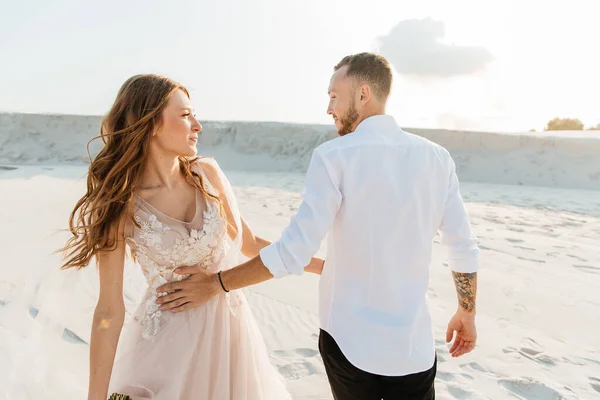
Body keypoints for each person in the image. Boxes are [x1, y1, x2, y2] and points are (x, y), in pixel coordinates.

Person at [157, 53, 480, 400]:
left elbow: (293, 251)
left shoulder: (334, 156)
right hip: (413, 349)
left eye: (333, 96)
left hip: (348, 342)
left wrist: (217, 285)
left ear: (363, 94)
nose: (329, 108)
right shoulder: (436, 158)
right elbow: (462, 247)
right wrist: (467, 313)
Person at [59, 74, 324, 400]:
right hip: (165, 350)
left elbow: (250, 245)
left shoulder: (207, 175)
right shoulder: (120, 204)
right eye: (185, 116)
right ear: (152, 123)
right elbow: (108, 311)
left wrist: (327, 267)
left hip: (231, 340)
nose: (197, 125)